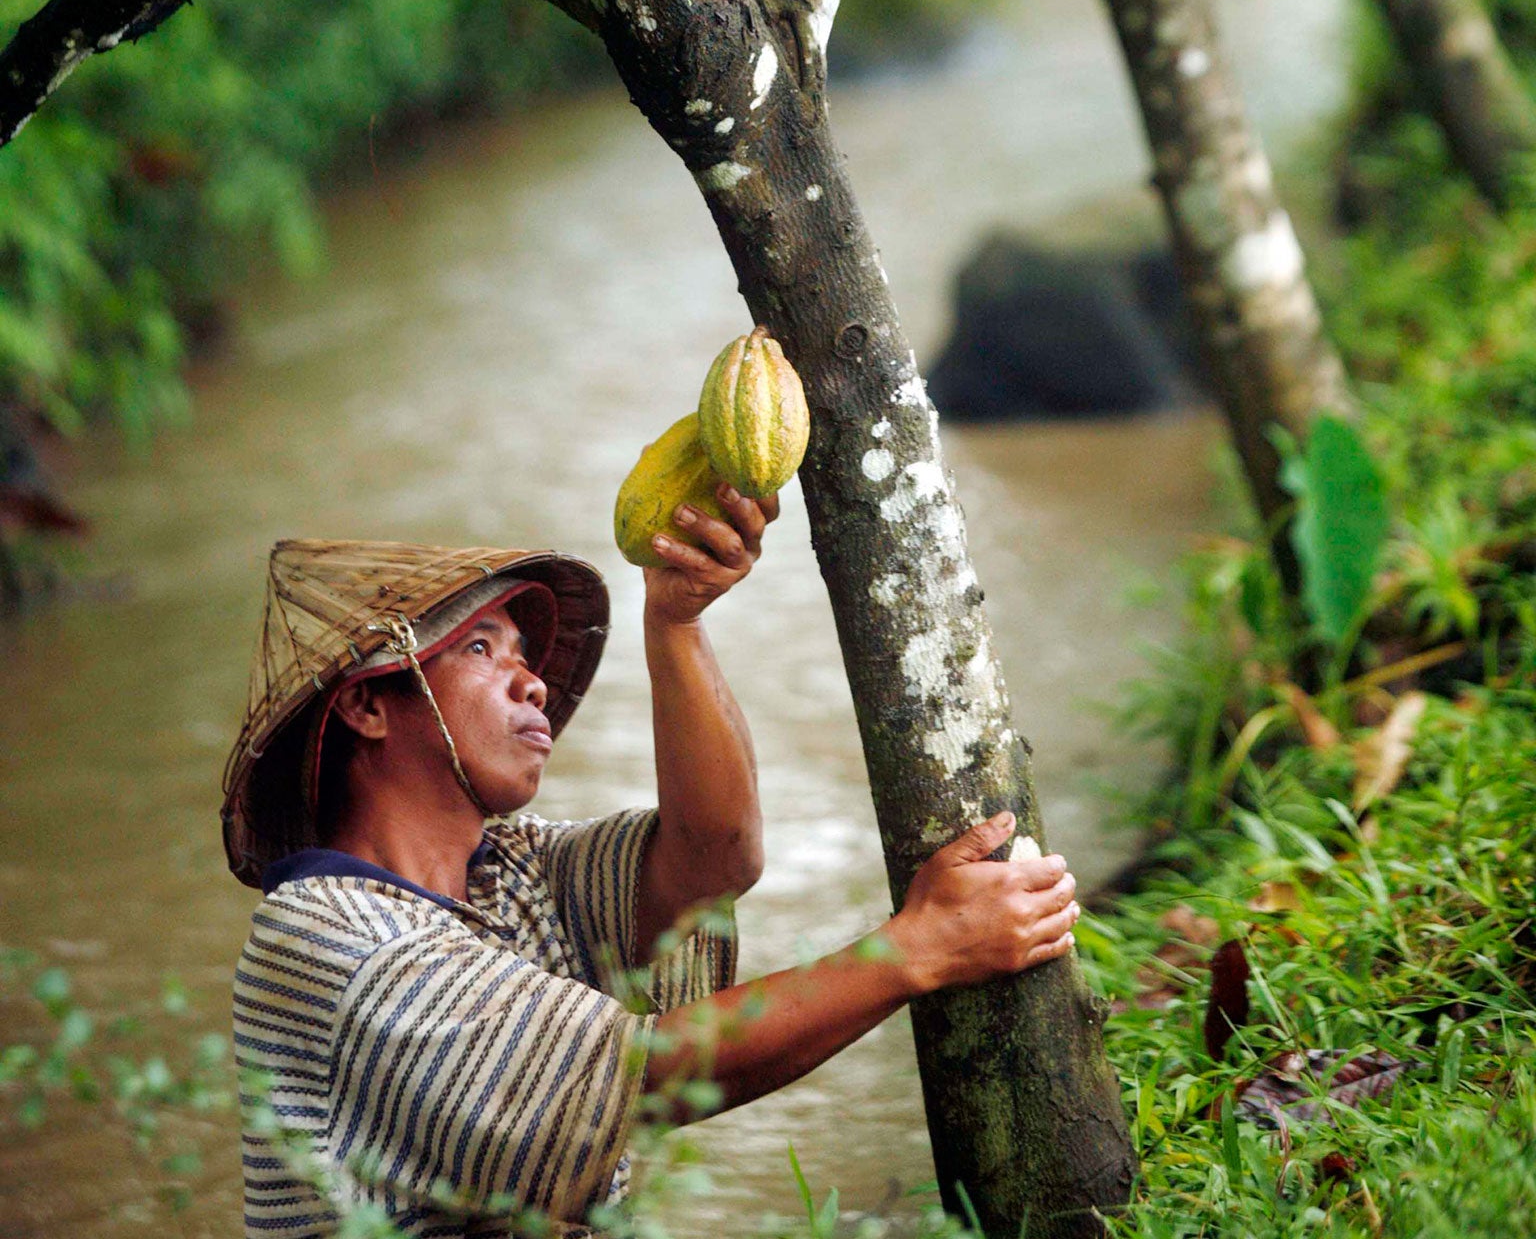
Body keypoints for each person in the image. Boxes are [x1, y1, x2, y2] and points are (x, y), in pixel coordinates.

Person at [222, 488, 1080, 1238]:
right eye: (481, 650)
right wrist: (919, 950)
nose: (528, 683)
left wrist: (674, 620)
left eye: (524, 656)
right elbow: (646, 1074)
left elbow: (715, 857)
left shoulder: (506, 870)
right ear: (370, 705)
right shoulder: (332, 935)